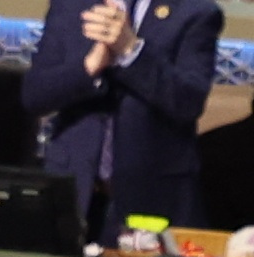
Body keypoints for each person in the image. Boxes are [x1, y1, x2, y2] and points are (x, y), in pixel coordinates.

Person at [23, 0, 223, 235]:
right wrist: (90, 67)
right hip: (72, 190)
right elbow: (34, 95)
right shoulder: (71, 5)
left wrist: (132, 51)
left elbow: (188, 101)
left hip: (149, 198)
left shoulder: (196, 11)